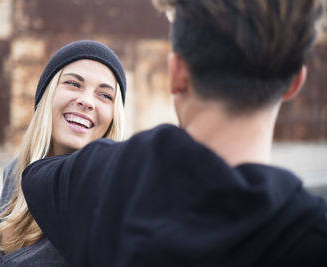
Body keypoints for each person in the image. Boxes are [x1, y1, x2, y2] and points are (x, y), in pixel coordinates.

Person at [22, 1, 327, 266]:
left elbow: (36, 173)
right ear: (295, 83)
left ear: (176, 73)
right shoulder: (313, 234)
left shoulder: (101, 175)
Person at [0, 40, 127, 266]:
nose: (86, 101)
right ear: (47, 94)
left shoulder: (108, 194)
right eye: (73, 83)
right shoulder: (15, 170)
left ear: (113, 117)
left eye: (105, 95)